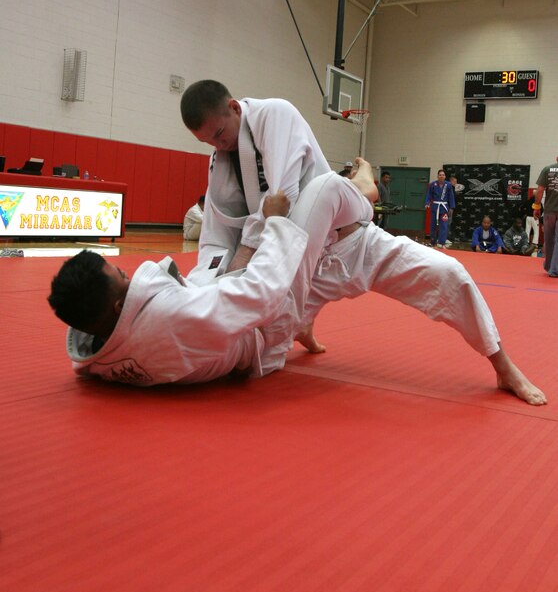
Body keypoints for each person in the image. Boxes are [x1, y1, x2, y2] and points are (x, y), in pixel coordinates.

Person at [48, 162, 546, 406]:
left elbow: (88, 359)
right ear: (115, 305)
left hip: (349, 255)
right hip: (277, 305)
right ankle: (366, 180)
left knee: (435, 271)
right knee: (336, 188)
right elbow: (257, 293)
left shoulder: (99, 355)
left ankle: (496, 360)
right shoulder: (169, 319)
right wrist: (274, 226)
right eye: (123, 276)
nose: (132, 274)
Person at [180, 80, 357, 284]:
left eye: (219, 134)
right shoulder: (220, 158)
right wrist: (205, 278)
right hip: (298, 248)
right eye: (207, 141)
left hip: (343, 241)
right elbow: (217, 230)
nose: (218, 145)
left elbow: (283, 196)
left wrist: (245, 254)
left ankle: (365, 182)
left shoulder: (275, 113)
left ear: (235, 108)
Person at [533, 157, 558, 278]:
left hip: (549, 210)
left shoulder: (547, 169)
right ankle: (554, 269)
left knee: (549, 239)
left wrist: (537, 207)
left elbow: (540, 190)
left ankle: (549, 266)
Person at [424, 169, 455, 248]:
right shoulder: (433, 184)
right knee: (433, 225)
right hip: (435, 207)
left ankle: (442, 243)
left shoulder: (448, 185)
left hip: (444, 208)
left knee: (444, 225)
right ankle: (433, 242)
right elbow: (429, 195)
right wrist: (427, 203)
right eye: (440, 175)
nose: (441, 176)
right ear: (437, 176)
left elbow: (451, 196)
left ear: (445, 176)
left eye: (443, 175)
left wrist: (451, 207)